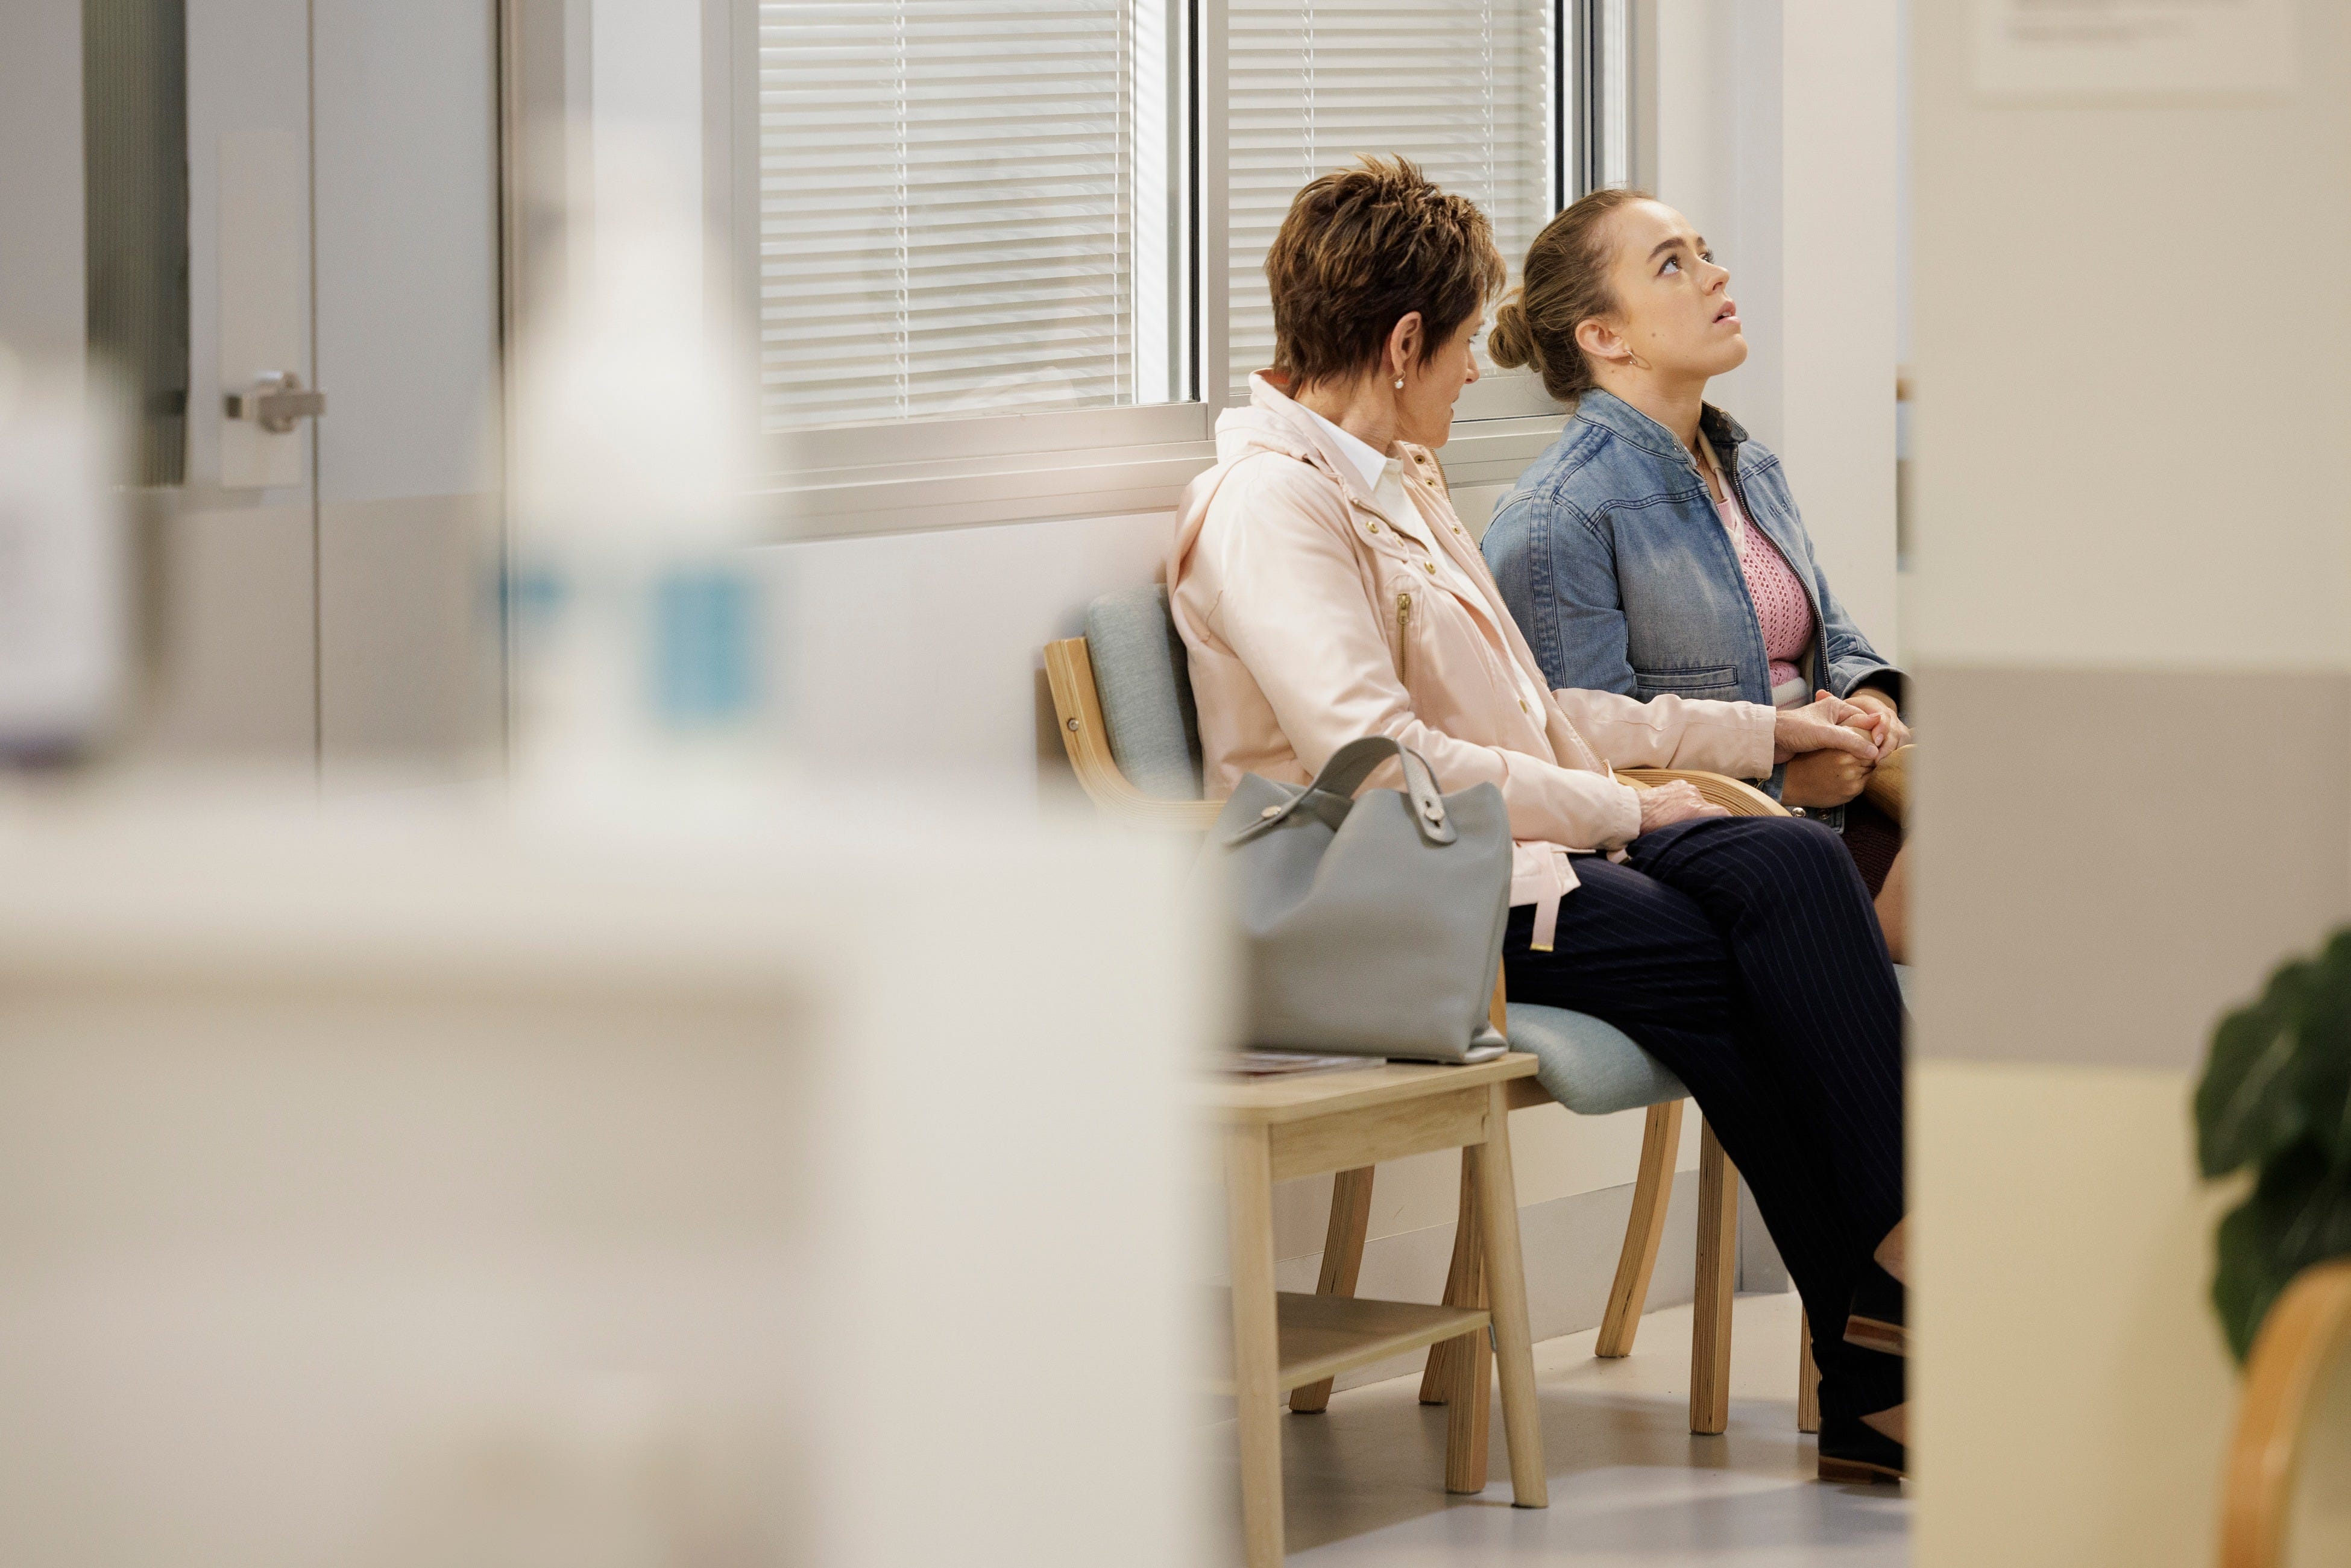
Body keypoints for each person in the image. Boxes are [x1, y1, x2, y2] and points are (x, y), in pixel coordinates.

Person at [1168, 157, 1909, 1481]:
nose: (1472, 374)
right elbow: (1379, 762)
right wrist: (1623, 807)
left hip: (1521, 854)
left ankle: (1891, 1319)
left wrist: (1745, 740)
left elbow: (1536, 706)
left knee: (1792, 865)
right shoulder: (1273, 504)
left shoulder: (1398, 475)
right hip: (1398, 893)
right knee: (1739, 964)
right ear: (1402, 346)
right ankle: (1890, 1345)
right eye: (1457, 348)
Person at [1481, 189, 1912, 959]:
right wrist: (1788, 782)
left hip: (1837, 805)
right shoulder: (1556, 517)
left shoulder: (1749, 466)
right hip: (1725, 843)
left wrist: (1873, 706)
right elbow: (1577, 750)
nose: (1715, 276)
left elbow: (1834, 641)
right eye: (1672, 266)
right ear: (1605, 336)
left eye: (1703, 252)